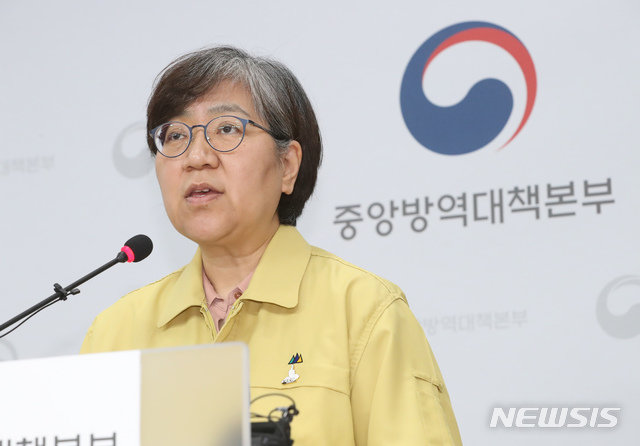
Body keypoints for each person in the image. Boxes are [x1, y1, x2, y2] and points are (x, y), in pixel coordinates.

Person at [81, 46, 462, 445]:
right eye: (175, 135)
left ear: (287, 165)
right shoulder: (115, 334)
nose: (196, 157)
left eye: (227, 129)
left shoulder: (364, 311)